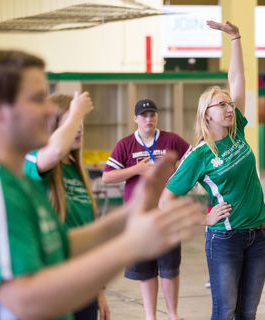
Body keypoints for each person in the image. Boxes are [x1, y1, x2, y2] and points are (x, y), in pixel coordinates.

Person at [0, 50, 200, 320]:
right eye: (37, 99)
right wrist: (130, 245)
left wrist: (129, 216)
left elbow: (58, 245)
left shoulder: (15, 179)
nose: (49, 109)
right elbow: (24, 302)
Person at [160, 21, 265, 320]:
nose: (229, 108)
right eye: (220, 105)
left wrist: (235, 36)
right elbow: (165, 201)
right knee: (225, 312)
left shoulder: (238, 132)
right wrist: (203, 218)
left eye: (230, 103)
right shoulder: (199, 154)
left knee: (248, 314)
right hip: (225, 239)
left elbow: (237, 78)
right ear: (206, 115)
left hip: (259, 235)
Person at [24, 93, 110, 320]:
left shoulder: (76, 170)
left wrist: (99, 289)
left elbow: (89, 234)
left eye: (81, 122)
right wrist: (77, 111)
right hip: (51, 283)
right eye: (70, 121)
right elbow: (54, 151)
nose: (79, 127)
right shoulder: (33, 159)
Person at [102, 98, 190, 320]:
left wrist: (176, 173)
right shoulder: (126, 144)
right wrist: (136, 169)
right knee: (145, 270)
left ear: (157, 117)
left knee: (170, 268)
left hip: (166, 215)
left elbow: (194, 161)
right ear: (135, 119)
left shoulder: (172, 140)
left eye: (152, 115)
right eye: (143, 115)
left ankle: (173, 314)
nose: (148, 119)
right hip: (138, 219)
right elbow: (107, 176)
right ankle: (150, 316)